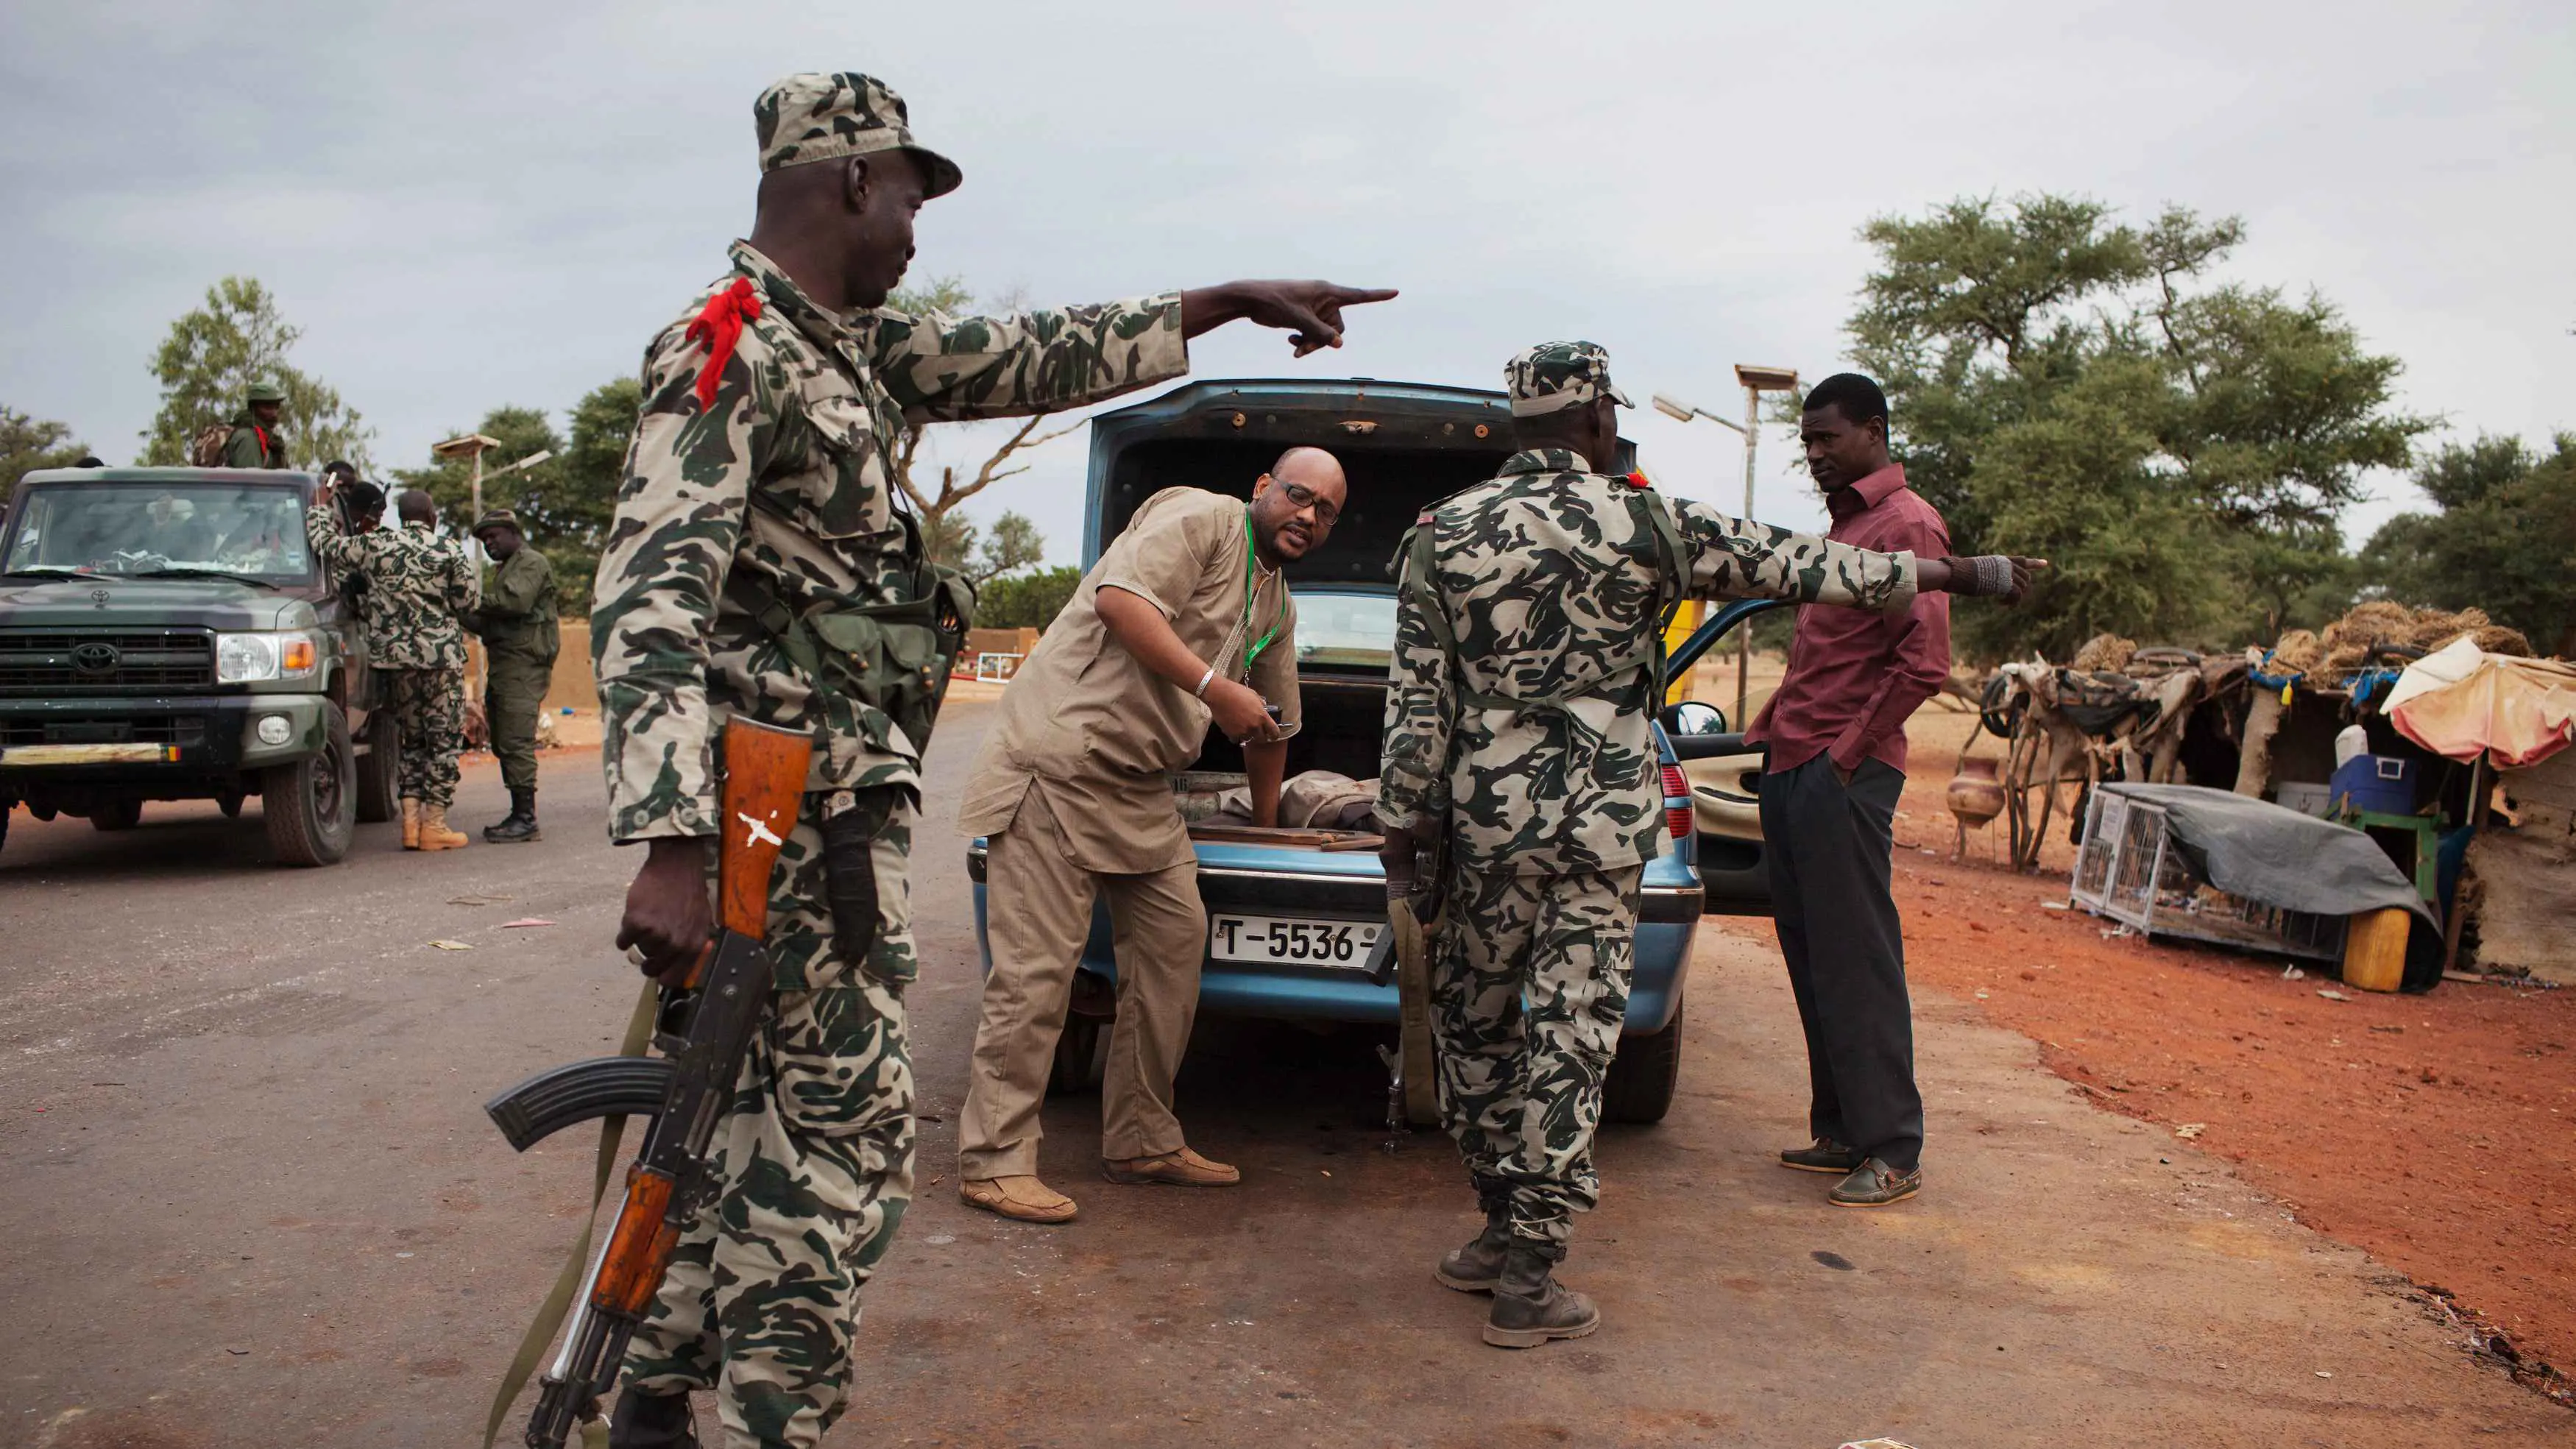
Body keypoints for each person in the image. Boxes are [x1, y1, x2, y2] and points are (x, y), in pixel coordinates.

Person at [590, 70, 1393, 1449]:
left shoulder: (845, 347)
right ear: (849, 179)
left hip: (820, 816)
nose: (918, 226)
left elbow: (1031, 354)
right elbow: (652, 594)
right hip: (774, 823)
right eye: (910, 193)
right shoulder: (733, 349)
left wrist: (1223, 300)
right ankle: (773, 1417)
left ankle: (658, 1396)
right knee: (836, 1144)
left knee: (733, 1122)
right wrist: (672, 837)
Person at [1376, 342, 2036, 1350]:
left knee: (1478, 1027)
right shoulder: (1647, 520)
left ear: (1520, 428)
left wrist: (1403, 829)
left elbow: (1417, 701)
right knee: (1572, 1036)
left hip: (1487, 827)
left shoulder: (1443, 531)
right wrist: (1968, 573)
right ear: (1596, 418)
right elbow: (1809, 566)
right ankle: (1532, 1270)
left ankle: (1500, 1223)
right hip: (1600, 830)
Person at [952, 447, 1345, 1225]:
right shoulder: (1199, 516)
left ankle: (1139, 1136)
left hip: (1136, 787)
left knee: (1175, 937)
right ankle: (993, 1160)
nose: (1307, 516)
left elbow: (1270, 727)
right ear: (1261, 486)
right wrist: (1213, 688)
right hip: (1058, 762)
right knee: (1037, 972)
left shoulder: (1274, 601)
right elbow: (1119, 602)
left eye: (1326, 511)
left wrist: (1267, 829)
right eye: (1298, 496)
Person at [1750, 373, 1961, 1209]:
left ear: (1871, 432)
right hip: (1793, 762)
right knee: (1812, 957)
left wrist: (1843, 752)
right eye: (1804, 441)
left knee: (1858, 960)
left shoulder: (1907, 524)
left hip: (1844, 772)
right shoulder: (1844, 527)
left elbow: (1924, 661)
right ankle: (1839, 1130)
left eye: (1825, 439)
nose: (1813, 454)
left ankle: (1891, 1147)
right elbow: (1820, 655)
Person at [308, 481, 478, 850]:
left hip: (395, 662)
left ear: (401, 517)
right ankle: (435, 825)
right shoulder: (447, 548)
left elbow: (327, 547)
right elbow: (467, 603)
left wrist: (321, 508)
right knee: (443, 743)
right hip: (440, 663)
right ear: (432, 517)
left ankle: (411, 826)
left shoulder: (375, 545)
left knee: (411, 741)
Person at [463, 507, 558, 843]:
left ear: (513, 533)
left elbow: (513, 603)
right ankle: (519, 813)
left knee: (516, 740)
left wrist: (467, 598)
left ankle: (526, 818)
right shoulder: (508, 569)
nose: (489, 544)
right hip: (505, 664)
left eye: (493, 536)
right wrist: (456, 610)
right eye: (484, 539)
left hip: (523, 664)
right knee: (504, 739)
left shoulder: (530, 563)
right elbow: (489, 622)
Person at [223, 383, 289, 469]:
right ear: (253, 409)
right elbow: (250, 480)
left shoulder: (269, 440)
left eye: (276, 407)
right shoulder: (248, 438)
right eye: (268, 407)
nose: (274, 414)